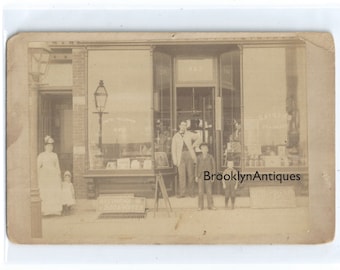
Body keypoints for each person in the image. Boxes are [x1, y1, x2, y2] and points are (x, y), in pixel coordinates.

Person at [171, 120, 201, 198]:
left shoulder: (189, 134)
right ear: (179, 126)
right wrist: (175, 160)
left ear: (186, 126)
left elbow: (199, 138)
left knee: (191, 174)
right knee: (181, 175)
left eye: (185, 125)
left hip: (189, 154)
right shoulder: (176, 136)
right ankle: (182, 193)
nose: (183, 126)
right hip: (180, 156)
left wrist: (194, 145)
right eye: (182, 125)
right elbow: (173, 149)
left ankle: (191, 193)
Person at [37, 135, 63, 216]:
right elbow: (37, 167)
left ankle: (55, 210)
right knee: (46, 192)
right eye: (48, 145)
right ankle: (45, 210)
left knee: (54, 192)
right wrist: (38, 176)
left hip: (53, 175)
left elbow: (57, 167)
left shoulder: (54, 155)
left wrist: (59, 176)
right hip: (45, 176)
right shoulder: (41, 155)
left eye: (51, 145)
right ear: (45, 146)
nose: (50, 147)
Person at [195, 143, 217, 210]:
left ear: (207, 149)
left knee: (209, 191)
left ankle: (211, 205)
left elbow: (213, 167)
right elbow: (196, 167)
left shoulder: (210, 157)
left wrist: (213, 176)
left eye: (205, 148)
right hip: (200, 176)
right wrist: (196, 176)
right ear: (201, 150)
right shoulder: (198, 157)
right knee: (200, 191)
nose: (204, 150)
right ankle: (200, 206)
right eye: (202, 148)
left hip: (208, 176)